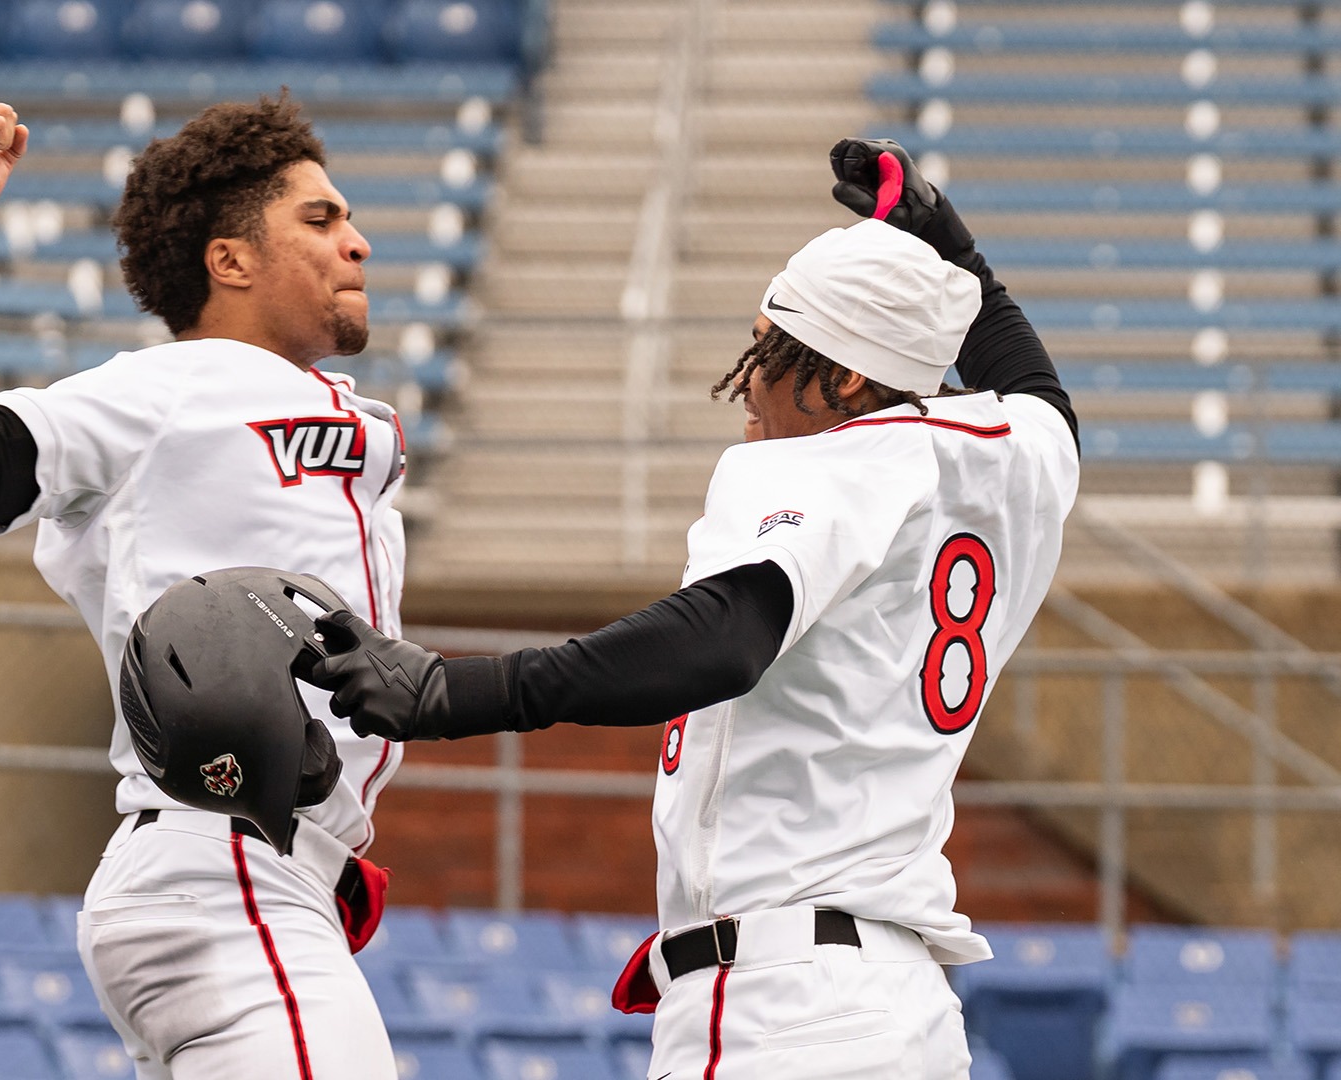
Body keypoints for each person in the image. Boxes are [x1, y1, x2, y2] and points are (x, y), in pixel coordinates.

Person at [301, 139, 1080, 1079]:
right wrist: (956, 254)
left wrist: (453, 693)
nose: (750, 379)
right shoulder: (999, 454)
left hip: (781, 1008)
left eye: (773, 348)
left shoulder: (829, 459)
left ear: (851, 380)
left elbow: (725, 634)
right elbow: (1042, 397)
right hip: (904, 1011)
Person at [0, 93, 406, 1079]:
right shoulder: (172, 389)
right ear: (231, 260)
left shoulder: (335, 411)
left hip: (254, 879)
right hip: (224, 865)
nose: (359, 242)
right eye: (321, 218)